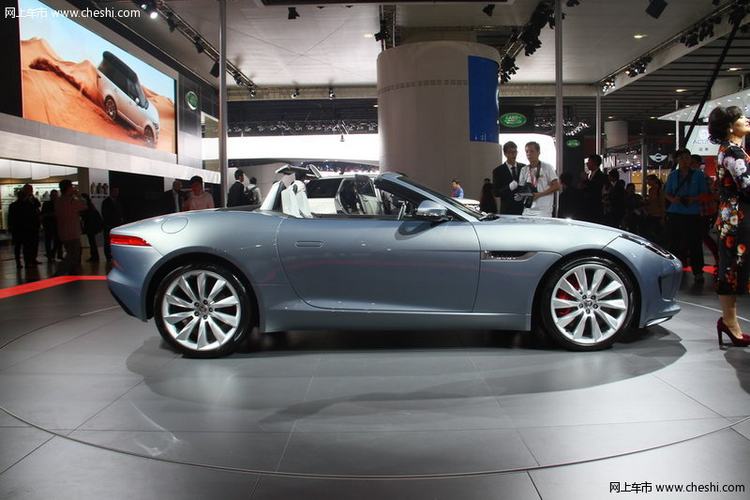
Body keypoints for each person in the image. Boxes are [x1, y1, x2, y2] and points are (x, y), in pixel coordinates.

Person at [708, 105, 750, 346]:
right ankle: (729, 322)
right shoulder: (733, 151)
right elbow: (747, 186)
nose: (747, 119)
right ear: (730, 126)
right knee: (732, 267)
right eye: (741, 117)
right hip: (737, 218)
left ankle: (729, 321)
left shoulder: (730, 149)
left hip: (732, 216)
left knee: (731, 266)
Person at [664, 148, 709, 284]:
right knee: (674, 243)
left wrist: (693, 199)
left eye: (687, 158)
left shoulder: (698, 175)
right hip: (675, 212)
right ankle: (673, 269)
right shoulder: (673, 175)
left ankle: (698, 271)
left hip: (692, 213)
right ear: (677, 160)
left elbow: (705, 194)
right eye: (682, 158)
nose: (685, 160)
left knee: (695, 243)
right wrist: (673, 200)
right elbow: (667, 193)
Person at [517, 141, 559, 217]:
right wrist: (520, 196)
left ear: (538, 152)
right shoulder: (524, 169)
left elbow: (556, 186)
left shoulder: (547, 167)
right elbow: (522, 189)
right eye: (527, 151)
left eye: (532, 151)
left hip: (543, 210)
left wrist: (539, 194)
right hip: (527, 209)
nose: (529, 154)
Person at [54, 180, 87, 276]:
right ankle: (59, 274)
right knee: (73, 255)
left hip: (63, 232)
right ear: (68, 188)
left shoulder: (59, 201)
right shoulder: (71, 201)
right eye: (72, 187)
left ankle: (71, 275)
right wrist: (79, 196)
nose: (73, 188)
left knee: (71, 254)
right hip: (72, 232)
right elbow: (84, 206)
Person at [692, 154, 719, 267]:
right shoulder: (693, 176)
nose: (690, 165)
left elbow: (712, 195)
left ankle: (717, 258)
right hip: (698, 211)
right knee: (699, 236)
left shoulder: (703, 177)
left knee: (703, 236)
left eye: (693, 162)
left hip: (704, 211)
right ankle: (698, 261)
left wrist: (695, 198)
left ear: (698, 164)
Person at [492, 141, 525, 215]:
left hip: (523, 209)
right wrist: (509, 187)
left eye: (515, 152)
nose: (514, 155)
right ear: (505, 154)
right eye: (510, 152)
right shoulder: (498, 171)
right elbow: (496, 193)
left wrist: (522, 195)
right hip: (507, 210)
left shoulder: (523, 167)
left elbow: (528, 186)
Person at [581, 154, 607, 224]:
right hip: (588, 209)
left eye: (589, 161)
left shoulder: (601, 176)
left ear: (594, 163)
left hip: (595, 209)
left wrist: (586, 180)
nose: (587, 164)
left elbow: (595, 190)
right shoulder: (590, 175)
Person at [102, 187, 125, 262]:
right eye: (115, 191)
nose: (117, 193)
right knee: (107, 241)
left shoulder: (118, 201)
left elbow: (120, 212)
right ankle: (108, 257)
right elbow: (105, 214)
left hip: (117, 224)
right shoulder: (106, 202)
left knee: (116, 241)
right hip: (109, 224)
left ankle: (115, 255)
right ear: (111, 192)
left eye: (117, 191)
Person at [80, 193, 103, 262]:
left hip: (90, 226)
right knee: (92, 241)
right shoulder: (91, 206)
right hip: (92, 226)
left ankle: (94, 256)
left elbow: (86, 216)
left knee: (92, 242)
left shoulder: (86, 206)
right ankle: (95, 256)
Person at [41, 189, 63, 261]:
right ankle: (53, 254)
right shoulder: (57, 203)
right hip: (50, 224)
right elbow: (43, 214)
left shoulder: (47, 204)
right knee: (53, 240)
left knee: (56, 240)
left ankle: (52, 254)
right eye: (53, 195)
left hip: (54, 224)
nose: (54, 197)